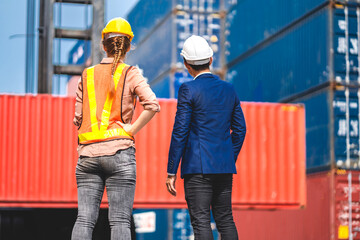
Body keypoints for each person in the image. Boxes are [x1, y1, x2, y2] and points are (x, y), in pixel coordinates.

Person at [71, 17, 160, 240]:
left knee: (84, 219)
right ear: (128, 47)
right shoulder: (131, 73)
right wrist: (130, 129)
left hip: (88, 155)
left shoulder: (87, 75)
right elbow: (152, 105)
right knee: (120, 221)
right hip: (120, 153)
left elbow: (77, 118)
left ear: (103, 45)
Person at [166, 35, 246, 240]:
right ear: (211, 59)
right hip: (224, 168)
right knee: (226, 219)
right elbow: (240, 130)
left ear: (186, 64)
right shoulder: (229, 89)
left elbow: (180, 131)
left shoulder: (188, 89)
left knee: (201, 221)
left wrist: (171, 170)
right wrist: (229, 157)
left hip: (197, 170)